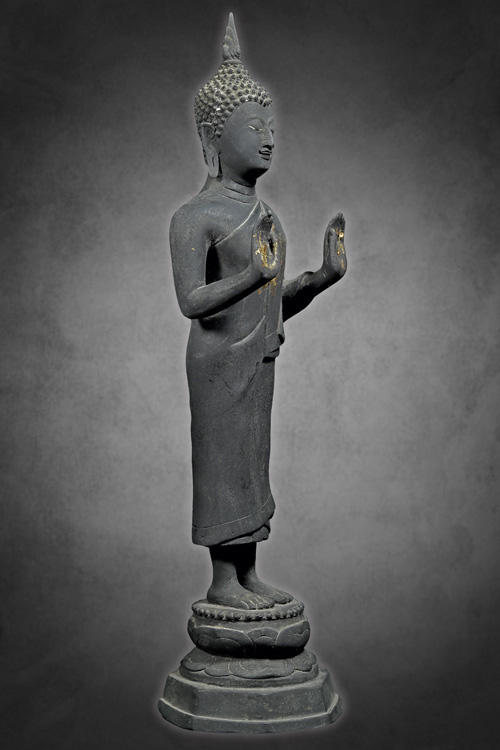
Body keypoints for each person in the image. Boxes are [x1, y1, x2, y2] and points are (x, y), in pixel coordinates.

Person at [169, 14, 347, 610]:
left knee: (250, 464)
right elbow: (191, 301)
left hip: (258, 360)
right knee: (222, 465)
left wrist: (319, 279)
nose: (268, 137)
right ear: (214, 138)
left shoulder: (266, 215)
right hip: (218, 363)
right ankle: (222, 580)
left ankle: (246, 572)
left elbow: (270, 305)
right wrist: (251, 276)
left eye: (271, 125)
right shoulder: (196, 217)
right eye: (253, 126)